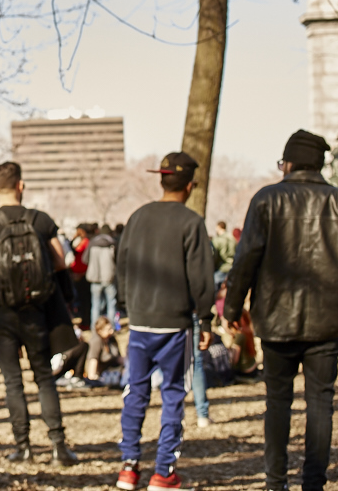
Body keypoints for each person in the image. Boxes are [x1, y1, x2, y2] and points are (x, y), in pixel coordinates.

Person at [223, 130, 338, 491]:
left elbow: (245, 260)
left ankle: (275, 482)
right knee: (320, 404)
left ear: (290, 163)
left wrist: (233, 307)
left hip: (276, 320)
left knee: (277, 402)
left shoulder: (266, 200)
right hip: (327, 322)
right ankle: (314, 483)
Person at [116, 151, 215, 491]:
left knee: (135, 392)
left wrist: (125, 306)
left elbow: (123, 264)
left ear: (161, 180)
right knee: (173, 394)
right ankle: (163, 472)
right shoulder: (192, 222)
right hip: (175, 324)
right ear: (190, 185)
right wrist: (206, 319)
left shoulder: (138, 217)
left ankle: (128, 467)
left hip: (141, 321)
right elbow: (202, 278)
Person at [0, 161, 79, 466]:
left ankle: (23, 447)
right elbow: (60, 261)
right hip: (37, 311)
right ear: (21, 185)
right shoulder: (41, 220)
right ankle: (59, 446)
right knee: (44, 378)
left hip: (1, 311)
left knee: (12, 381)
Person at [86, 224, 117, 328]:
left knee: (95, 305)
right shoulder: (112, 243)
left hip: (95, 278)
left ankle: (94, 329)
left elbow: (85, 259)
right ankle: (110, 328)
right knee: (111, 304)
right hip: (109, 277)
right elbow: (118, 261)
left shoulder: (92, 243)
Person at [84, 315, 124, 386]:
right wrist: (92, 377)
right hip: (102, 374)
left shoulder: (112, 339)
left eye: (111, 328)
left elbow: (118, 358)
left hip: (114, 369)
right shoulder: (96, 341)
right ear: (100, 331)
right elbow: (93, 360)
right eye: (108, 329)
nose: (111, 331)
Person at [210, 221, 236, 289]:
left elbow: (214, 256)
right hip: (232, 266)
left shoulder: (217, 240)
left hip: (221, 267)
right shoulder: (232, 238)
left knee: (214, 289)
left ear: (218, 227)